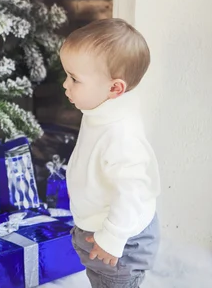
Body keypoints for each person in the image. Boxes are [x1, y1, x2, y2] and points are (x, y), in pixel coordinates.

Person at [59, 18, 160, 288]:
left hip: (121, 243)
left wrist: (113, 238)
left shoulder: (121, 135)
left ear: (115, 88)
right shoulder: (102, 109)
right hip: (102, 228)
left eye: (74, 79)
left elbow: (133, 193)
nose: (65, 85)